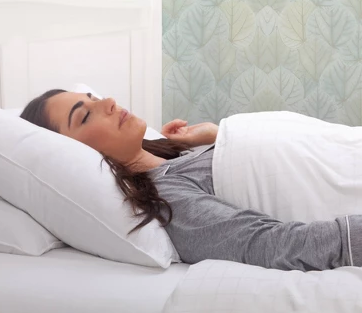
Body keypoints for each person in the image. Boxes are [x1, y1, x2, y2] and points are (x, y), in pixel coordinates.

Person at [20, 89, 362, 272]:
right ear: (74, 154)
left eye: (94, 97)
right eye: (85, 115)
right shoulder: (168, 200)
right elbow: (270, 246)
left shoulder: (181, 157)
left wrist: (217, 136)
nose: (108, 102)